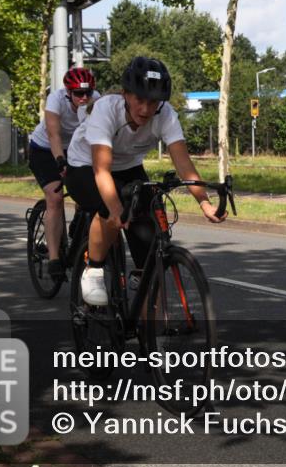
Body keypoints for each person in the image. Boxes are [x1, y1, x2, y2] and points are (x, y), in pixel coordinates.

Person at [65, 56, 224, 306]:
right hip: (85, 165)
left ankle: (152, 334)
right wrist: (117, 209)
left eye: (153, 103)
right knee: (110, 208)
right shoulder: (107, 109)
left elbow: (183, 164)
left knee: (150, 248)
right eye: (139, 99)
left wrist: (204, 203)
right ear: (126, 94)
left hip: (129, 167)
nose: (146, 110)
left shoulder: (166, 115)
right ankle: (93, 270)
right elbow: (102, 171)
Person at [28, 67, 100, 278]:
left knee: (87, 193)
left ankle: (78, 233)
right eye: (78, 93)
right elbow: (53, 134)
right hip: (45, 149)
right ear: (68, 92)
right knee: (55, 197)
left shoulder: (95, 99)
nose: (84, 98)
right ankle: (54, 259)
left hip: (77, 148)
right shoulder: (56, 99)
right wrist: (60, 161)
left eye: (87, 93)